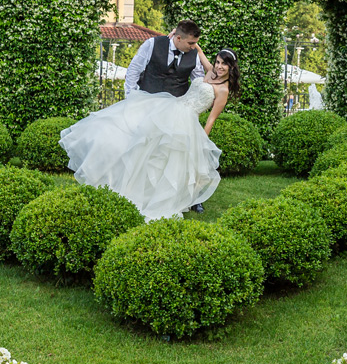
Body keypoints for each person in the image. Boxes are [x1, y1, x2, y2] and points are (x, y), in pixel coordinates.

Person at [61, 20, 234, 220]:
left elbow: (200, 80)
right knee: (133, 145)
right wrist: (131, 99)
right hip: (145, 103)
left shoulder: (194, 55)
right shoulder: (153, 44)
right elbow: (133, 70)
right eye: (191, 43)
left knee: (167, 156)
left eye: (196, 44)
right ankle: (116, 183)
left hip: (176, 111)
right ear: (178, 38)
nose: (193, 47)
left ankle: (184, 196)